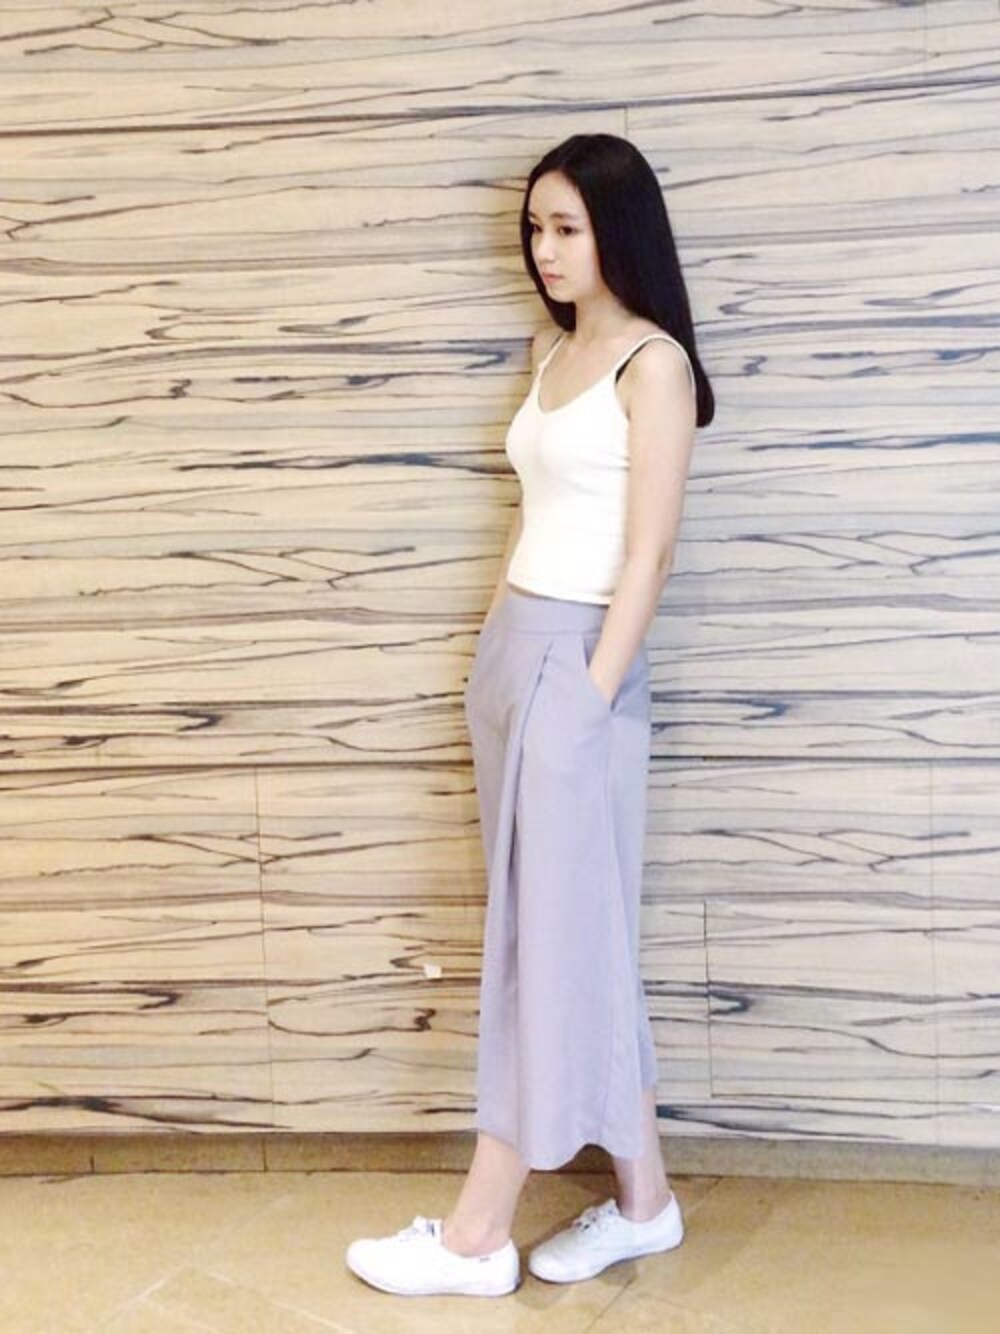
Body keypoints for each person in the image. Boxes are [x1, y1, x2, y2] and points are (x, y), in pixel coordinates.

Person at [346, 132, 714, 1298]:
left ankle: (475, 1232)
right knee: (574, 936)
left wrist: (589, 694)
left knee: (544, 950)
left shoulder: (651, 365)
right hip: (515, 651)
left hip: (580, 665)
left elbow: (649, 554)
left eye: (567, 227)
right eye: (535, 228)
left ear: (618, 230)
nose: (545, 250)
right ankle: (645, 1202)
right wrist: (497, 660)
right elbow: (541, 506)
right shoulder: (552, 350)